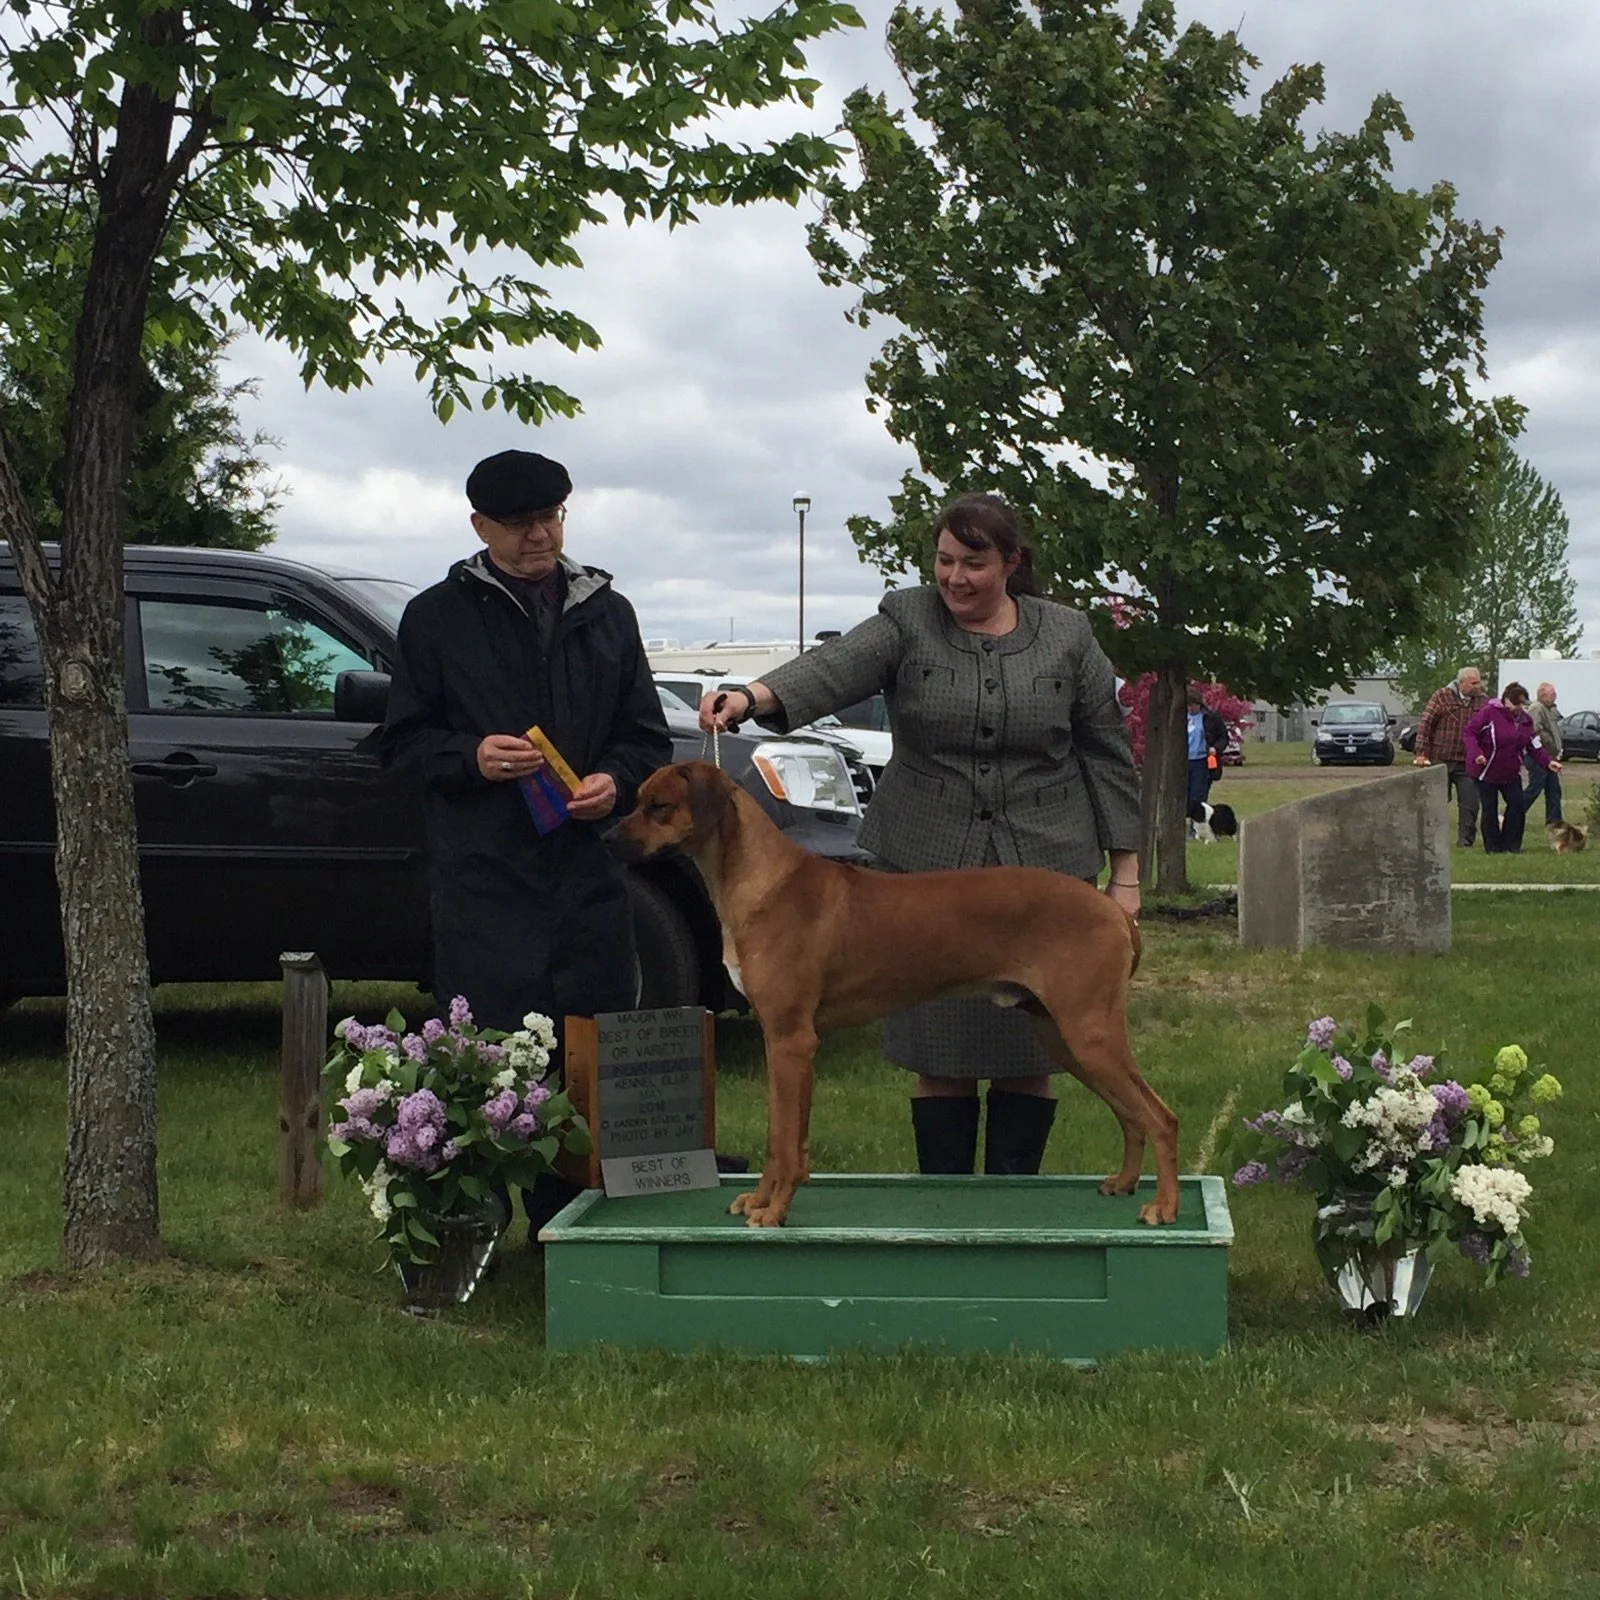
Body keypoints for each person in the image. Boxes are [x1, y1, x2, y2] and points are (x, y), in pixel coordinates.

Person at [699, 492, 1142, 1179]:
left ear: (1012, 563)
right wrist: (752, 697)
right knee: (940, 1058)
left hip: (1041, 869)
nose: (955, 577)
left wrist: (1127, 875)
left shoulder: (1067, 634)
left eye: (974, 563)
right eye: (944, 560)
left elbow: (1107, 754)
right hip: (922, 869)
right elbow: (832, 667)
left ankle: (1015, 1204)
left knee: (1034, 1056)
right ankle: (943, 1202)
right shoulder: (907, 619)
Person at [379, 448, 672, 1226]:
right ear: (481, 527)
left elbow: (646, 736)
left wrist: (615, 781)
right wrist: (470, 756)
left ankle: (575, 1223)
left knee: (589, 1052)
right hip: (486, 880)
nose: (540, 535)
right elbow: (402, 745)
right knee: (492, 1055)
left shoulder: (609, 613)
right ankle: (477, 1218)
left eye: (550, 517)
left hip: (588, 875)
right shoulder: (435, 618)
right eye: (519, 524)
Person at [1462, 681, 1562, 854]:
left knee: (1517, 805)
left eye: (1521, 704)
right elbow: (1470, 733)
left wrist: (1548, 762)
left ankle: (1511, 845)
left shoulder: (1526, 720)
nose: (1517, 708)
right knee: (1490, 808)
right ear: (1505, 699)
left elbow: (1533, 744)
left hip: (1510, 771)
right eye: (1515, 703)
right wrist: (1477, 753)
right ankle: (1493, 848)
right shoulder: (1489, 713)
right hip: (1485, 770)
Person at [1413, 666, 1488, 846]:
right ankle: (1431, 839)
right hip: (1440, 758)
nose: (1477, 686)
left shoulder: (1483, 701)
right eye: (1473, 683)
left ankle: (1465, 841)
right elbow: (1426, 724)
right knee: (1436, 802)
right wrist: (1422, 753)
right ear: (1461, 683)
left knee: (1470, 803)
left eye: (1478, 682)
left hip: (1468, 761)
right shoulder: (1442, 696)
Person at [1186, 688, 1228, 833]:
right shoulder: (1181, 718)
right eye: (1188, 705)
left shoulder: (1211, 718)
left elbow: (1223, 737)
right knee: (1185, 795)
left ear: (1199, 704)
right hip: (1185, 762)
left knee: (1197, 795)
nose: (1190, 708)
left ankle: (1197, 828)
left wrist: (1215, 748)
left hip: (1202, 761)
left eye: (1192, 705)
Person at [1523, 682, 1565, 824]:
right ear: (1542, 695)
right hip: (1537, 756)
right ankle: (1513, 812)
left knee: (1554, 790)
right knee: (1535, 787)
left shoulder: (1550, 710)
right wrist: (1548, 742)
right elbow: (1534, 730)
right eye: (1552, 694)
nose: (1555, 696)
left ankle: (1555, 822)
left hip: (1549, 757)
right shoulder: (1537, 708)